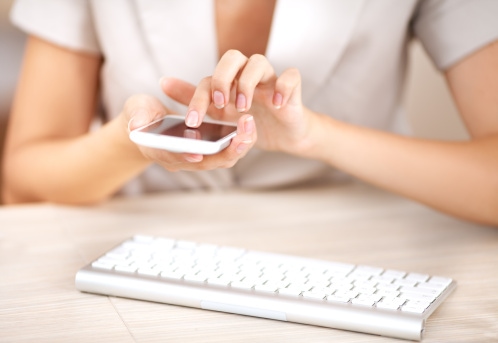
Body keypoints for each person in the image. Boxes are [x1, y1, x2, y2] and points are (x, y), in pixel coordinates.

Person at [2, 0, 498, 226]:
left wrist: (316, 137)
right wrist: (130, 142)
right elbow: (23, 179)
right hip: (138, 244)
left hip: (355, 250)